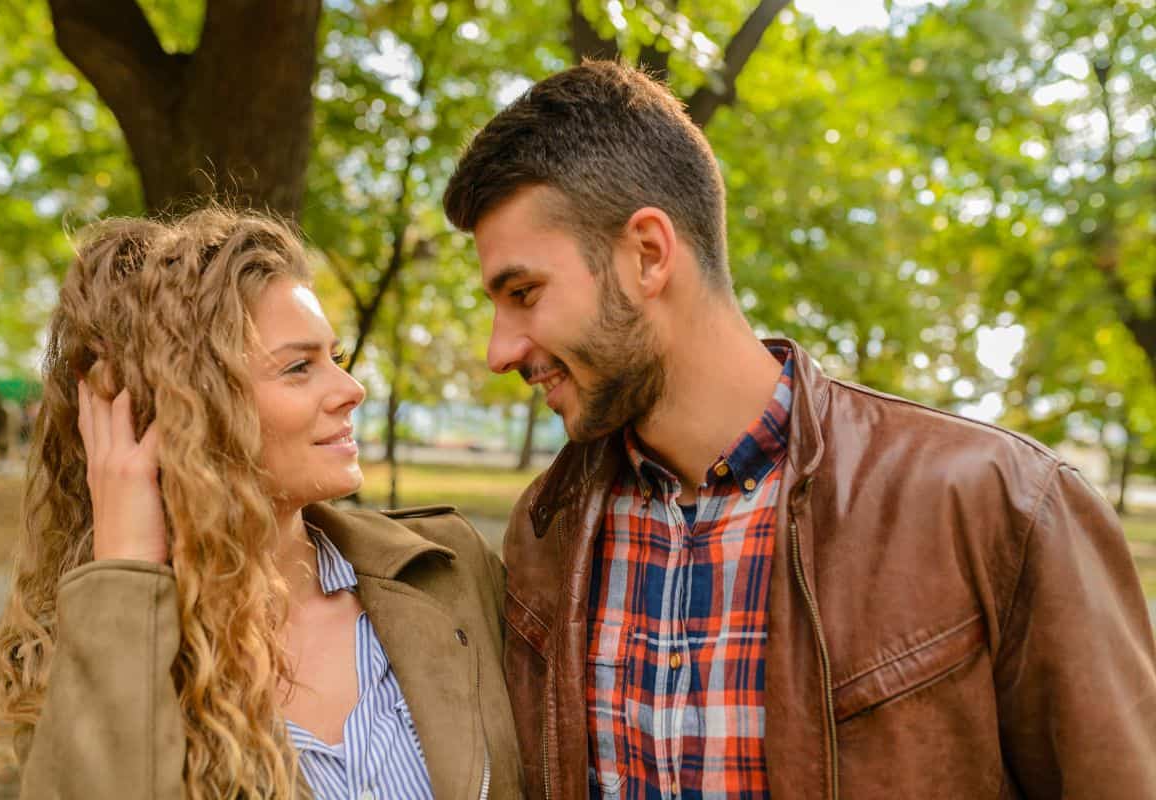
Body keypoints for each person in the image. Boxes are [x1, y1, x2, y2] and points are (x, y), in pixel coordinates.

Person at [442, 60, 1156, 799]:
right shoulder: (545, 529)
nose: (500, 351)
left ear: (648, 254)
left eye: (524, 292)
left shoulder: (999, 504)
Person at [0, 207, 521, 799]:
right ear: (183, 410)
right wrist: (126, 565)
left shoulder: (447, 571)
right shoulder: (88, 649)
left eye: (334, 359)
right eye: (298, 367)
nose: (351, 389)